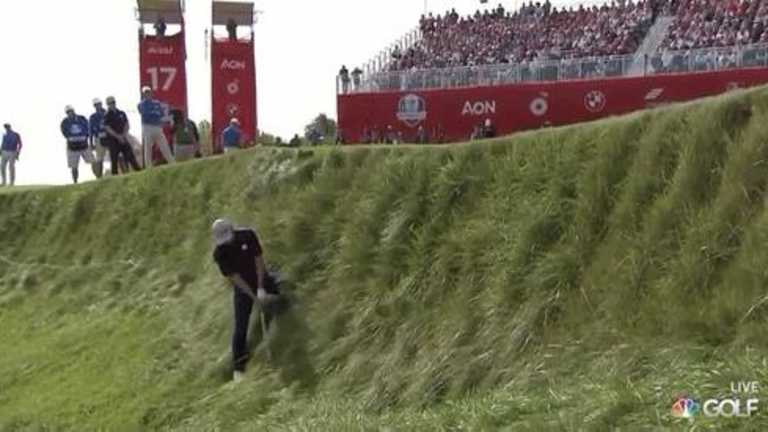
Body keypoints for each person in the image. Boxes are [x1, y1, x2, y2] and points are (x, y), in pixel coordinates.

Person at [212, 218, 287, 382]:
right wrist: (254, 297)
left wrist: (260, 287)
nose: (227, 241)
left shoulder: (247, 235)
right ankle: (239, 368)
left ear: (232, 229)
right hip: (242, 289)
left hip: (261, 278)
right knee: (240, 329)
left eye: (228, 236)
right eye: (223, 239)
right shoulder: (219, 254)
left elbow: (259, 261)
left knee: (281, 303)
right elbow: (235, 278)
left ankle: (274, 326)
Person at [138, 86, 175, 168]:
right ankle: (148, 167)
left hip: (157, 127)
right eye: (145, 93)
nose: (147, 94)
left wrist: (154, 114)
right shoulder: (141, 104)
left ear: (151, 93)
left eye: (148, 92)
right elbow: (145, 114)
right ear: (143, 94)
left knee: (164, 145)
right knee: (148, 148)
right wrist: (154, 113)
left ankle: (172, 163)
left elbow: (161, 114)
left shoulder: (157, 103)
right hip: (147, 127)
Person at [104, 96, 142, 176]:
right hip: (113, 140)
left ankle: (139, 171)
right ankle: (115, 176)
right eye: (110, 103)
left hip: (123, 137)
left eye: (113, 102)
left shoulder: (121, 113)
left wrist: (123, 135)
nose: (112, 104)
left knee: (130, 156)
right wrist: (118, 136)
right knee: (114, 159)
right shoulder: (106, 115)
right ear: (107, 104)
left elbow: (127, 124)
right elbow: (107, 128)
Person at [60, 105, 93, 184]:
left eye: (71, 111)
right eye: (68, 112)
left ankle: (99, 177)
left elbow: (87, 129)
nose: (70, 113)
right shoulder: (64, 122)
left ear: (74, 111)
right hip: (72, 146)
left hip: (84, 144)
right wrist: (73, 138)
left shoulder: (82, 118)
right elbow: (65, 133)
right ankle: (75, 181)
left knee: (93, 161)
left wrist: (85, 137)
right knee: (74, 166)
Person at [89, 98, 108, 178]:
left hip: (109, 137)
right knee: (99, 159)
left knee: (117, 155)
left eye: (99, 104)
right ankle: (99, 177)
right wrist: (91, 143)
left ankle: (120, 174)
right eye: (96, 105)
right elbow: (90, 131)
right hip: (98, 139)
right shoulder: (92, 117)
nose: (97, 106)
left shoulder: (107, 113)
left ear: (101, 104)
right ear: (94, 106)